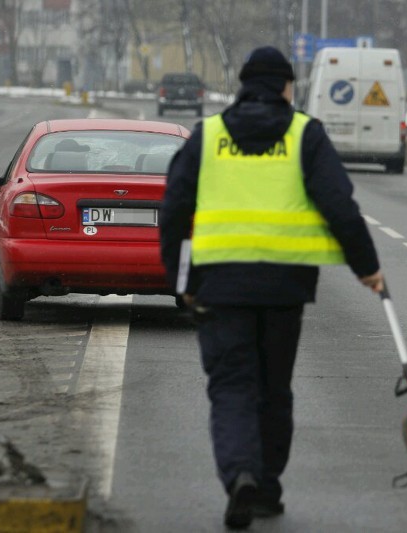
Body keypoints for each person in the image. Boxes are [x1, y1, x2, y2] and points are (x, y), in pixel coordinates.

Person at [159, 45, 383, 530]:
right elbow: (339, 205)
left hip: (220, 286)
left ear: (243, 85)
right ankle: (267, 488)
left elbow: (173, 209)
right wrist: (367, 267)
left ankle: (240, 474)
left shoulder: (210, 135)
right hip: (285, 289)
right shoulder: (306, 134)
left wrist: (183, 282)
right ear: (286, 87)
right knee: (273, 388)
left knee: (232, 385)